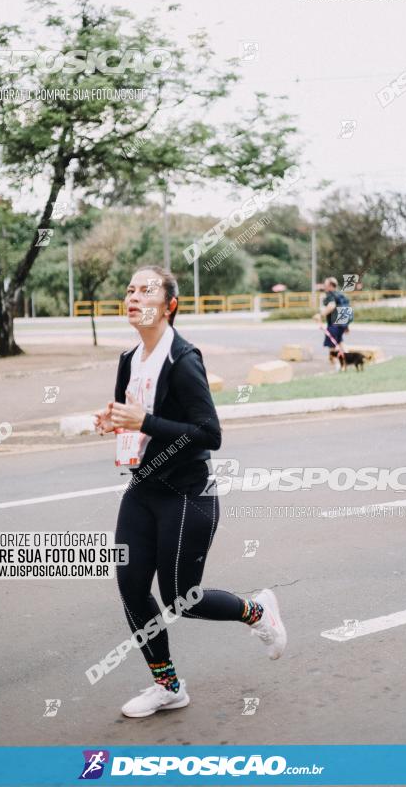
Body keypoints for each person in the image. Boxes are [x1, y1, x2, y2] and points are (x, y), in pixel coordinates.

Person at [95, 264, 287, 718]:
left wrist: (144, 422)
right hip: (142, 488)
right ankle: (168, 685)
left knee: (183, 597)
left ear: (170, 305)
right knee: (131, 586)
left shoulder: (183, 359)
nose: (134, 297)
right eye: (129, 290)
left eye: (147, 291)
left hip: (187, 493)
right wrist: (112, 421)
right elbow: (132, 415)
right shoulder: (128, 359)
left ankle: (257, 612)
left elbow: (209, 433)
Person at [320, 276, 351, 360]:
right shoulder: (340, 295)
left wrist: (321, 315)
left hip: (333, 325)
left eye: (325, 284)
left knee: (332, 346)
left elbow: (331, 306)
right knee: (340, 342)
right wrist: (346, 326)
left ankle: (333, 366)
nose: (324, 286)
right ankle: (349, 359)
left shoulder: (330, 295)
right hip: (341, 325)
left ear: (330, 285)